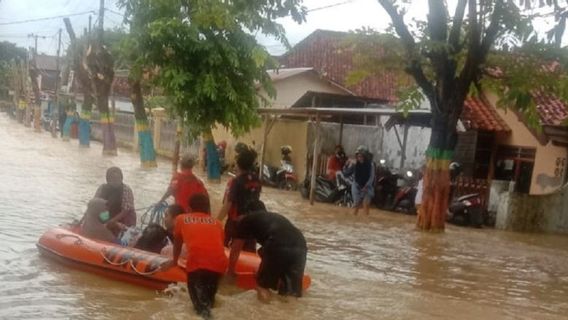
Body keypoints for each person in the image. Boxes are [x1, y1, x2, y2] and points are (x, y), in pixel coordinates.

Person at [227, 200, 307, 302]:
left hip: (277, 244)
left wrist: (230, 272)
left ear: (246, 213)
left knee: (263, 287)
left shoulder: (246, 219)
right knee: (291, 293)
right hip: (300, 245)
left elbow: (236, 249)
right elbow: (266, 252)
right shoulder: (273, 218)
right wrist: (264, 268)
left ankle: (264, 314)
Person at [166, 194, 227, 319]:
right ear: (208, 209)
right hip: (219, 266)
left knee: (200, 310)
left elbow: (177, 243)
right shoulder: (217, 223)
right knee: (208, 304)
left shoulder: (181, 219)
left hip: (198, 265)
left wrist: (174, 261)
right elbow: (219, 246)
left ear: (189, 208)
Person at [217, 148, 261, 252]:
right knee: (249, 251)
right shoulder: (257, 180)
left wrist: (216, 222)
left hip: (235, 223)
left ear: (238, 164)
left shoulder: (235, 182)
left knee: (223, 248)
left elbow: (227, 205)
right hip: (252, 223)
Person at [95, 167, 136, 232]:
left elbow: (126, 211)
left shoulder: (126, 189)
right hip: (105, 217)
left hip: (122, 220)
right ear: (107, 179)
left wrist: (112, 222)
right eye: (113, 178)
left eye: (118, 178)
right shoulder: (102, 188)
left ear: (121, 178)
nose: (115, 181)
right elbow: (94, 205)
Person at [345, 145, 375, 215]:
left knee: (366, 204)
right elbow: (346, 173)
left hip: (368, 187)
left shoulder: (371, 165)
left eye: (361, 156)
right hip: (357, 185)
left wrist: (366, 186)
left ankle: (366, 221)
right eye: (358, 156)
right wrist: (347, 165)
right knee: (356, 204)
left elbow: (371, 178)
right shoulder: (355, 164)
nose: (360, 158)